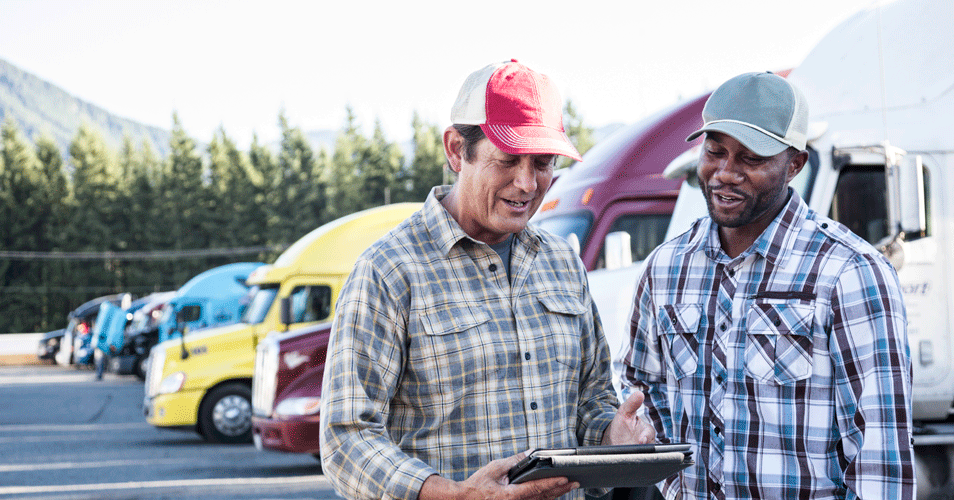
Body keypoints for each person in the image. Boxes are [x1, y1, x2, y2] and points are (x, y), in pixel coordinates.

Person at [320, 59, 655, 500]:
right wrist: (454, 495)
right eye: (508, 160)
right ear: (457, 150)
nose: (527, 183)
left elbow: (590, 402)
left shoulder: (562, 263)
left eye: (542, 163)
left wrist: (613, 437)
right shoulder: (389, 271)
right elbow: (346, 439)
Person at [617, 72, 915, 499]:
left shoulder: (850, 272)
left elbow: (880, 457)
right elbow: (639, 386)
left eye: (751, 159)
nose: (725, 173)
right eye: (714, 152)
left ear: (794, 164)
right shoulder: (665, 268)